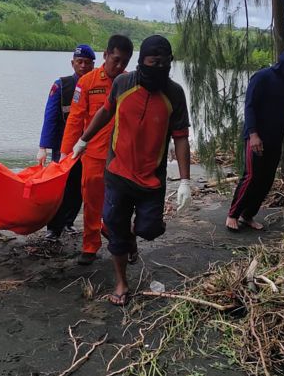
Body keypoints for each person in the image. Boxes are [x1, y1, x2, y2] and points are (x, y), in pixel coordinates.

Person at [69, 35, 192, 306]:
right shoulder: (124, 84)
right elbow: (104, 113)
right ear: (142, 62)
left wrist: (185, 181)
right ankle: (121, 282)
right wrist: (83, 140)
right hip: (118, 174)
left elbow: (181, 137)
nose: (158, 67)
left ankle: (132, 237)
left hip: (152, 180)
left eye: (164, 63)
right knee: (115, 229)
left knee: (149, 229)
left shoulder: (174, 94)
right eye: (152, 62)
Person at [60, 35, 133, 265]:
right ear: (106, 55)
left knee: (120, 202)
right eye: (116, 60)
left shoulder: (130, 82)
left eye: (125, 62)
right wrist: (65, 152)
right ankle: (90, 245)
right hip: (93, 154)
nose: (120, 66)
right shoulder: (87, 82)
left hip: (122, 156)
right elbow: (75, 117)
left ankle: (119, 237)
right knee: (91, 201)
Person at [225, 46, 284, 232]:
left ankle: (248, 215)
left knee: (267, 179)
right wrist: (253, 134)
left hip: (275, 138)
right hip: (256, 138)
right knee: (251, 177)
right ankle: (233, 214)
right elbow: (249, 107)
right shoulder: (262, 77)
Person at [37, 44, 95, 241]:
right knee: (60, 188)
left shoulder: (97, 85)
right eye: (79, 62)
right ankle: (53, 228)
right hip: (64, 147)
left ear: (93, 64)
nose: (83, 66)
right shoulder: (62, 86)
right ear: (72, 63)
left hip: (90, 148)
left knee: (80, 187)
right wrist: (43, 147)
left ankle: (69, 222)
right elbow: (50, 117)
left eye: (87, 63)